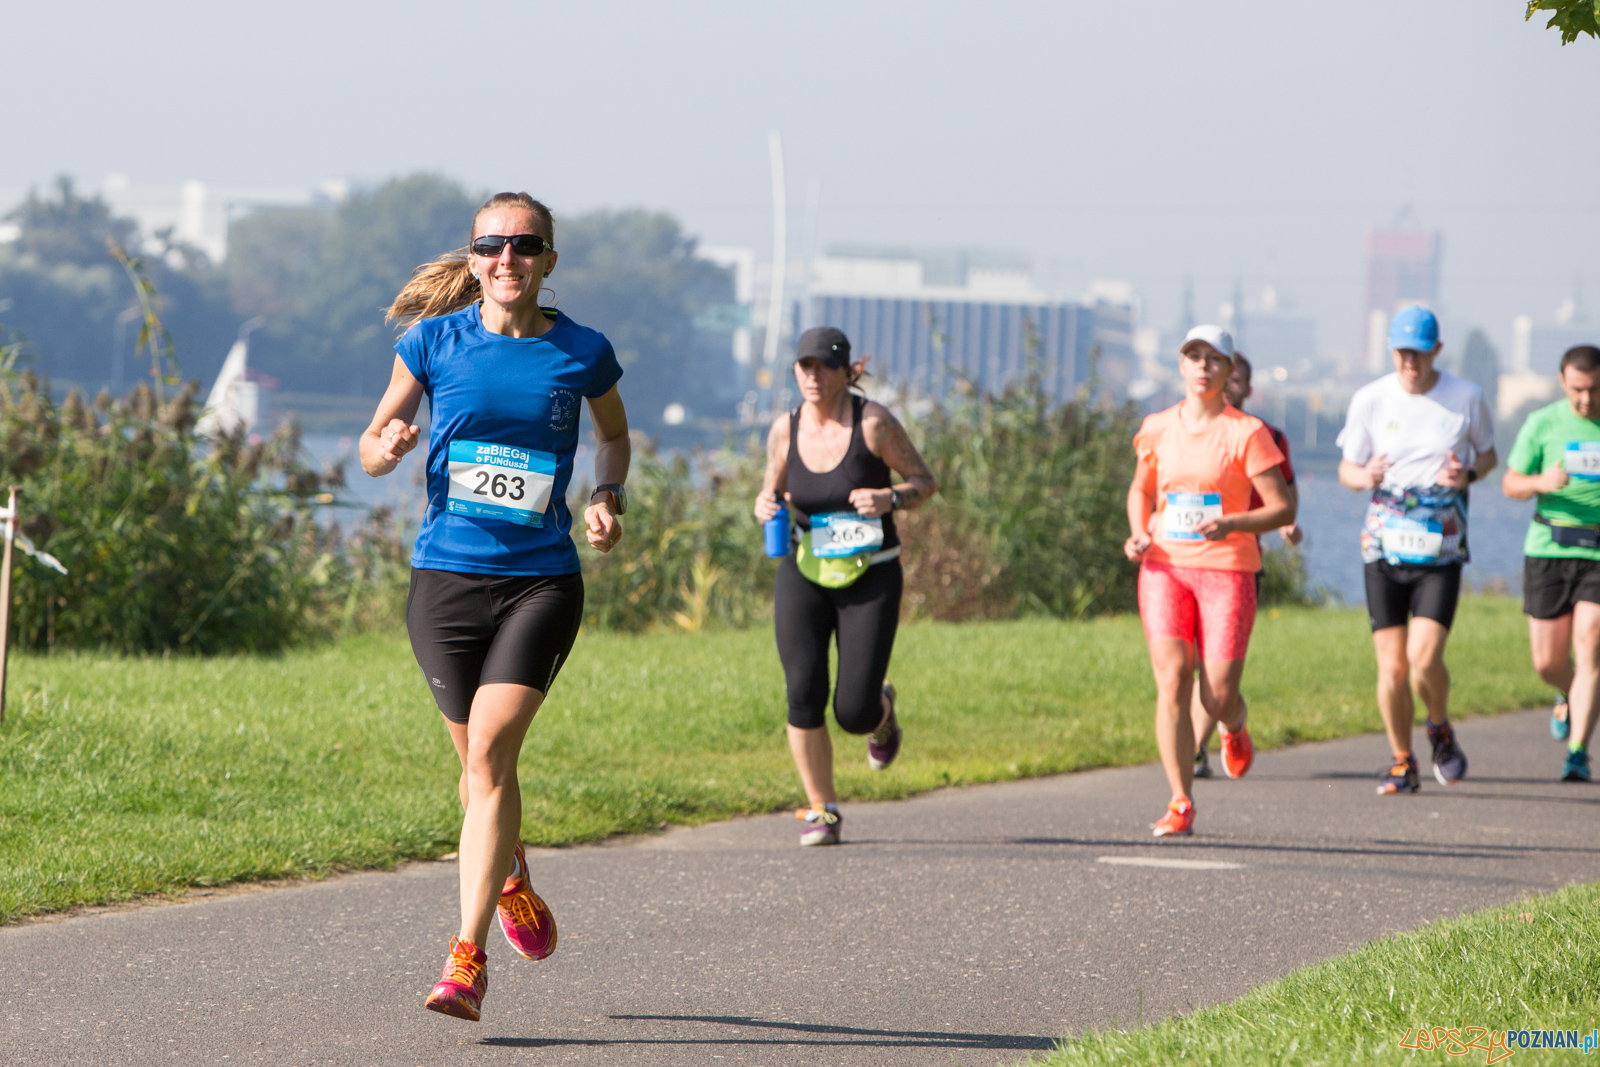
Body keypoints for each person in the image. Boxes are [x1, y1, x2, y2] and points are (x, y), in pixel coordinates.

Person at [361, 191, 630, 1021]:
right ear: (474, 259)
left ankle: (466, 958)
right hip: (444, 582)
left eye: (524, 244)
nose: (507, 258)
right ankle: (510, 873)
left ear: (549, 260)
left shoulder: (582, 351)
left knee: (487, 756)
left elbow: (614, 435)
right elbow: (371, 446)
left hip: (540, 581)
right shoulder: (431, 343)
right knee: (480, 772)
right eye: (491, 245)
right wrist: (388, 446)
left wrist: (607, 494)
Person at [753, 327, 937, 846]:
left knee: (853, 711)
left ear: (845, 371)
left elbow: (926, 482)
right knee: (802, 691)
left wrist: (889, 498)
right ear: (796, 371)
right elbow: (772, 492)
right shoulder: (784, 430)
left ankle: (882, 714)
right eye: (805, 366)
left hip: (871, 572)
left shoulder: (874, 424)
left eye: (825, 366)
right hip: (805, 569)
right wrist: (764, 505)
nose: (813, 376)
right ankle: (823, 810)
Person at [1125, 325, 1294, 837]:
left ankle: (1232, 723)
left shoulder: (1247, 433)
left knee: (1216, 695)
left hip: (1227, 569)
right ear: (1181, 365)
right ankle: (1180, 800)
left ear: (1229, 370)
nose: (1202, 366)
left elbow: (1282, 508)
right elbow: (1141, 490)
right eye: (1193, 357)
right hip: (1165, 567)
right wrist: (1138, 532)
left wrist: (1233, 523)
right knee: (1173, 677)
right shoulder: (1157, 427)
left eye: (1213, 359)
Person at [1336, 305, 1495, 794]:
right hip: (1383, 550)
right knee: (1392, 667)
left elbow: (1488, 455)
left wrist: (1467, 474)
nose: (1411, 362)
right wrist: (1365, 475)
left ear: (1437, 351)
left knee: (1424, 660)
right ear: (1391, 351)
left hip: (1440, 551)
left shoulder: (1466, 397)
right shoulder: (1370, 399)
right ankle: (1402, 761)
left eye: (1420, 353)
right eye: (1403, 353)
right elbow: (1347, 470)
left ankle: (1439, 728)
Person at [1192, 352, 1302, 780]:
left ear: (1247, 388)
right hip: (1185, 560)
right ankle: (1197, 746)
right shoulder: (1187, 428)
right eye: (1225, 377)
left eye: (1236, 380)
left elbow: (1285, 495)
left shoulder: (1265, 436)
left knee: (1214, 668)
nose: (1228, 385)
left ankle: (1209, 737)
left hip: (1238, 561)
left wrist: (1287, 524)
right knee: (1191, 662)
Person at [1501, 343, 1600, 782]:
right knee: (1547, 663)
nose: (1586, 399)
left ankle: (1577, 753)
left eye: (1594, 389)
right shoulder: (1542, 423)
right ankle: (1568, 692)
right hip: (1549, 548)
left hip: (1597, 552)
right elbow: (1511, 484)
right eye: (1578, 389)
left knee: (1591, 642)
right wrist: (1542, 481)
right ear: (1562, 382)